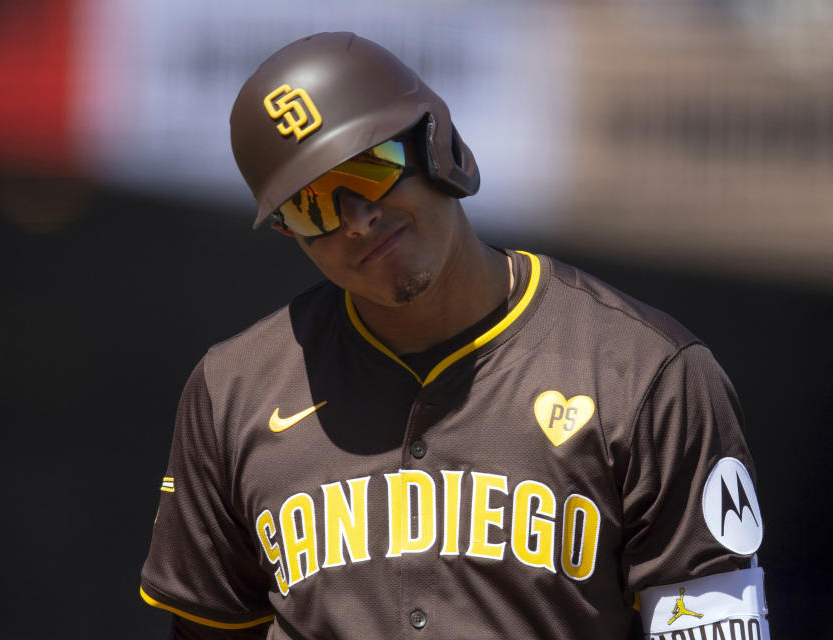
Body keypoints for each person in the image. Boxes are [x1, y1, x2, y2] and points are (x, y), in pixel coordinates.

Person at [140, 32, 769, 639]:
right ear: (289, 233)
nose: (357, 220)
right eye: (315, 205)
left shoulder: (649, 373)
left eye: (370, 167)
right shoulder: (233, 392)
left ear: (435, 145)